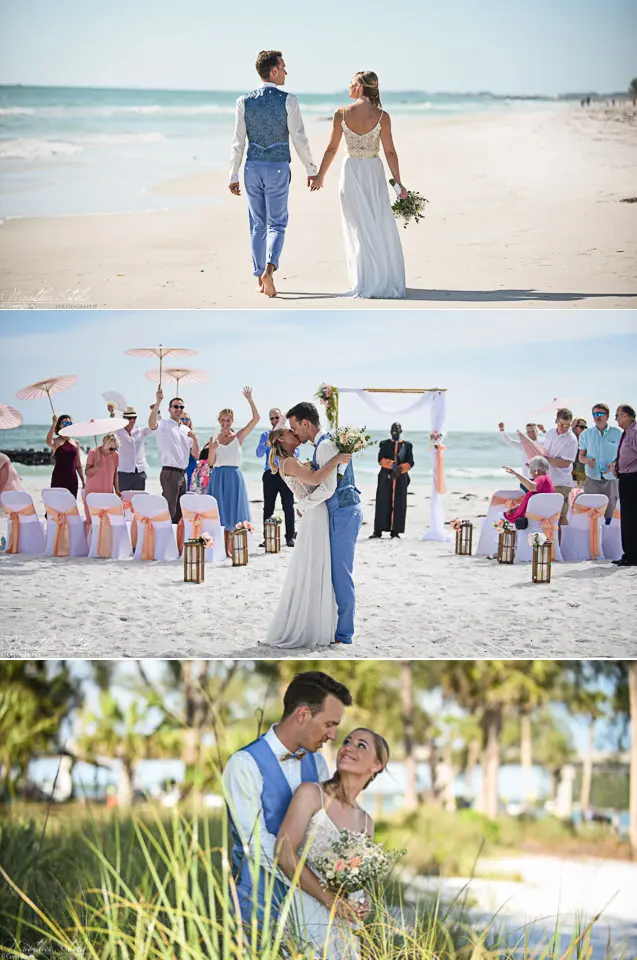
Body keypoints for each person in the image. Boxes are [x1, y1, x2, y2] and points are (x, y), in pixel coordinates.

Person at [222, 672, 352, 931]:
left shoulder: (316, 762)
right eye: (328, 724)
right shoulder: (243, 765)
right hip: (258, 899)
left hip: (309, 901)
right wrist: (320, 891)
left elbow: (323, 831)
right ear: (303, 714)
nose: (333, 735)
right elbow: (257, 846)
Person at [276, 727, 390, 959]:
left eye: (361, 745)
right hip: (304, 913)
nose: (348, 747)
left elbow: (358, 881)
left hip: (342, 927)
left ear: (376, 765)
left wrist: (363, 902)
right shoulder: (311, 794)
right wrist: (331, 901)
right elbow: (283, 853)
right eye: (347, 741)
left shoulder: (366, 822)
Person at [309, 71, 407, 299]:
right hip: (373, 171)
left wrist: (320, 176)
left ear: (361, 87)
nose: (349, 87)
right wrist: (398, 184)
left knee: (357, 226)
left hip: (351, 171)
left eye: (352, 84)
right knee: (377, 222)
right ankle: (381, 277)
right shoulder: (382, 116)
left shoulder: (341, 113)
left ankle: (365, 279)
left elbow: (331, 148)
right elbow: (390, 152)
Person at [229, 50, 317, 299]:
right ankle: (269, 270)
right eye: (284, 67)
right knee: (277, 223)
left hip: (252, 167)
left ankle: (259, 278)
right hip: (277, 167)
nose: (287, 71)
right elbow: (299, 137)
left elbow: (238, 142)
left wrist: (232, 174)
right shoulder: (289, 100)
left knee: (257, 225)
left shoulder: (243, 101)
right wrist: (311, 168)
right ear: (274, 71)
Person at [263, 428, 352, 647]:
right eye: (291, 432)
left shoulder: (290, 461)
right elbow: (315, 478)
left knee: (316, 565)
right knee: (315, 566)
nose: (296, 434)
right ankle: (312, 625)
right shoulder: (289, 462)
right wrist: (336, 460)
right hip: (314, 513)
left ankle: (318, 622)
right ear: (282, 439)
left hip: (315, 512)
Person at [287, 402, 363, 645]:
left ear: (305, 423)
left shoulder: (326, 446)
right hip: (341, 511)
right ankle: (336, 629)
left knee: (341, 574)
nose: (294, 432)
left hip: (342, 511)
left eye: (294, 426)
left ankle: (344, 634)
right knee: (336, 572)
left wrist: (303, 506)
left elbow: (329, 489)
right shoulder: (326, 443)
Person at [208, 387, 260, 556]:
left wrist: (250, 399)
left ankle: (231, 548)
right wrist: (212, 449)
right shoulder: (214, 439)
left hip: (234, 476)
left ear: (232, 421)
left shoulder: (238, 436)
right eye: (222, 420)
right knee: (221, 512)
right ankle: (224, 548)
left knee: (233, 512)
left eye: (228, 420)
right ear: (219, 420)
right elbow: (210, 463)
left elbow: (256, 419)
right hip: (218, 476)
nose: (225, 423)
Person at [148, 390, 200, 523]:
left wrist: (195, 439)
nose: (179, 409)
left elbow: (196, 454)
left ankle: (176, 542)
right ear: (170, 409)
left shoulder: (186, 430)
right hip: (170, 472)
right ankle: (165, 542)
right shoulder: (164, 425)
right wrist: (158, 402)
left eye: (181, 407)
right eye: (176, 406)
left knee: (179, 513)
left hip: (183, 474)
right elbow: (152, 424)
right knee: (169, 512)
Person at [256, 407, 298, 548]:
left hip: (286, 473)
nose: (274, 421)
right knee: (268, 507)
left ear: (281, 418)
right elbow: (258, 453)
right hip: (270, 474)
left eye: (276, 418)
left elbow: (296, 452)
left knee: (288, 505)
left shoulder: (288, 433)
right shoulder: (266, 434)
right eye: (271, 418)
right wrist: (265, 444)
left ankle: (290, 536)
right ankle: (267, 537)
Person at [577, 403, 621, 521]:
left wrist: (615, 464)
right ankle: (594, 538)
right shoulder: (585, 434)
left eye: (600, 414)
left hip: (611, 479)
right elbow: (581, 456)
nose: (597, 417)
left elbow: (623, 455)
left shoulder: (618, 433)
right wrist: (587, 461)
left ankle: (607, 537)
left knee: (610, 515)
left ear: (607, 416)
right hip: (592, 480)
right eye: (595, 414)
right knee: (591, 514)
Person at [370, 422, 414, 539]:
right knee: (382, 502)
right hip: (385, 477)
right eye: (393, 429)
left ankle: (395, 531)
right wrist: (392, 466)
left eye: (397, 429)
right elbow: (380, 459)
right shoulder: (384, 444)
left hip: (401, 478)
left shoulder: (407, 446)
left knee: (399, 503)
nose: (395, 431)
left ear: (401, 431)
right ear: (390, 431)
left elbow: (411, 462)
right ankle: (378, 531)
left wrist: (400, 469)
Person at [541, 408, 579, 533]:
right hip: (547, 479)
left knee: (560, 516)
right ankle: (549, 545)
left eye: (567, 425)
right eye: (561, 424)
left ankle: (561, 548)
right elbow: (544, 452)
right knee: (547, 515)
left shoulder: (572, 439)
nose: (564, 427)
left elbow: (565, 463)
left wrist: (546, 460)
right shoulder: (550, 433)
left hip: (561, 482)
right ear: (556, 421)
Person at [611, 403, 637, 567]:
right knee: (627, 517)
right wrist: (617, 465)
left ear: (625, 416)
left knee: (631, 518)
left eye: (617, 415)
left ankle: (633, 555)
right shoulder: (626, 433)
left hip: (633, 479)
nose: (616, 419)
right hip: (625, 478)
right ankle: (628, 553)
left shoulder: (634, 432)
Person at [501, 457, 555, 524]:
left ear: (536, 470)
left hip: (532, 515)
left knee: (501, 516)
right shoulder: (547, 478)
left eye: (531, 470)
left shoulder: (541, 478)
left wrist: (517, 474)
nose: (530, 473)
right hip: (540, 513)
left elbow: (531, 487)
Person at [83, 434, 121, 522]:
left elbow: (115, 474)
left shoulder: (116, 456)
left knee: (105, 523)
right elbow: (87, 472)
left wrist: (117, 490)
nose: (113, 451)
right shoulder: (93, 453)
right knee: (91, 522)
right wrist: (95, 468)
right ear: (105, 443)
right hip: (92, 493)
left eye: (115, 448)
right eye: (111, 448)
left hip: (107, 493)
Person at [46, 413, 84, 498]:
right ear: (59, 426)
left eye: (69, 423)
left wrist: (83, 481)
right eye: (64, 423)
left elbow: (78, 465)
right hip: (58, 478)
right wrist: (53, 424)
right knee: (55, 507)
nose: (67, 425)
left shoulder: (75, 443)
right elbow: (48, 441)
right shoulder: (56, 441)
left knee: (70, 508)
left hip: (73, 479)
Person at [115, 406, 151, 492]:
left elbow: (154, 426)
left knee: (138, 500)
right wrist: (112, 414)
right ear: (124, 418)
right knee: (123, 500)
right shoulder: (117, 432)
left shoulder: (141, 431)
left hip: (139, 472)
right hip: (123, 472)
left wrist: (156, 412)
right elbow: (109, 432)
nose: (132, 420)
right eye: (129, 418)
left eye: (134, 417)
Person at [571, 417, 588, 487]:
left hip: (582, 477)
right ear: (574, 427)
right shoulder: (568, 439)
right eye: (581, 427)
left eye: (585, 427)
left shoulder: (587, 442)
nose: (583, 429)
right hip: (570, 477)